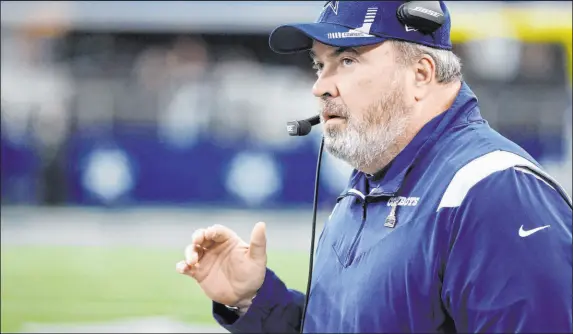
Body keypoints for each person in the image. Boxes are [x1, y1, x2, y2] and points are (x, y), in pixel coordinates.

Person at [175, 1, 573, 333]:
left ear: (420, 75)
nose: (320, 86)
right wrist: (255, 301)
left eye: (346, 60)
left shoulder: (492, 193)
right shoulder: (366, 185)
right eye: (319, 65)